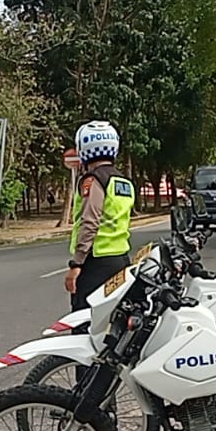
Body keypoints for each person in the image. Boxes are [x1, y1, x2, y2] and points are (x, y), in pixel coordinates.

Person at [64, 120, 136, 311]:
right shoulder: (124, 182)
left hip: (96, 263)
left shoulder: (94, 180)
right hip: (121, 259)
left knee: (84, 319)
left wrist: (76, 263)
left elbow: (90, 222)